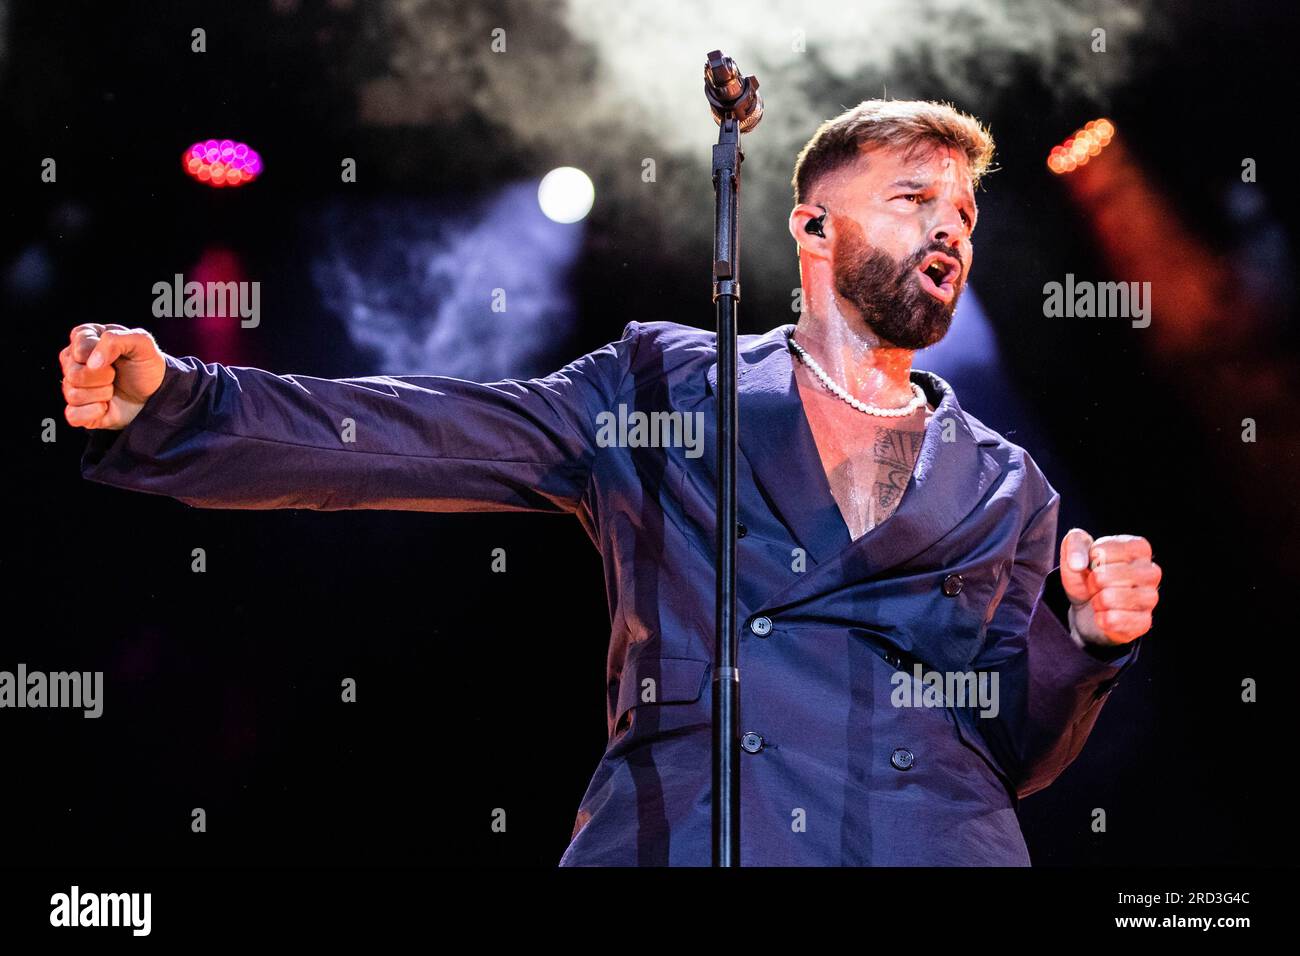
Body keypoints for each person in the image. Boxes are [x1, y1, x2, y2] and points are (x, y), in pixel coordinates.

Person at [60, 99, 1160, 866]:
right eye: (915, 195)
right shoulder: (663, 379)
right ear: (812, 225)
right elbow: (422, 434)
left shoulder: (1008, 485)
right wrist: (183, 400)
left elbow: (1008, 743)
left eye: (963, 213)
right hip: (686, 836)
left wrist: (1085, 641)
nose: (948, 228)